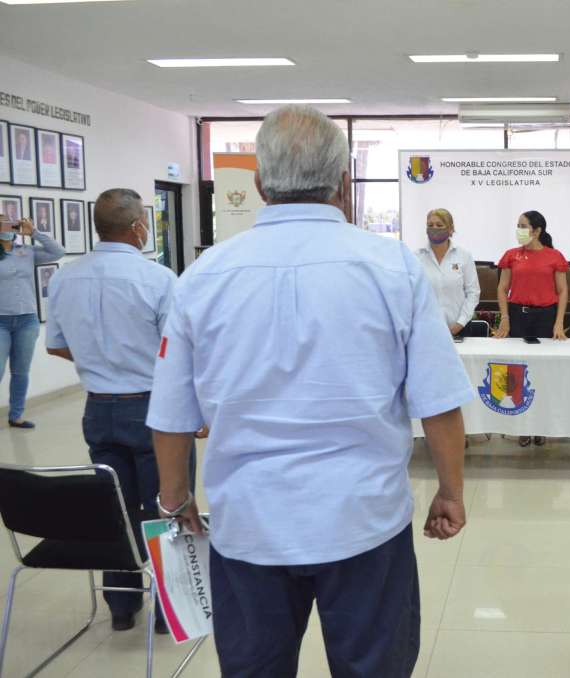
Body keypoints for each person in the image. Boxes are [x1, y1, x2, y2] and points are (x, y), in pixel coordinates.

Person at [146, 105, 473, 678]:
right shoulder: (391, 267)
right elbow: (439, 402)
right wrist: (450, 490)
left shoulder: (203, 276)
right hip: (364, 523)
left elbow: (171, 415)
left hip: (248, 527)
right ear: (344, 182)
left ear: (257, 183)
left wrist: (175, 502)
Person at [45, 188, 197, 633]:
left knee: (116, 508)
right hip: (154, 410)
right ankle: (171, 612)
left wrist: (100, 359)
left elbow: (56, 345)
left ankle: (122, 607)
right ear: (137, 228)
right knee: (168, 503)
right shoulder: (157, 279)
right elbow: (178, 351)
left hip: (98, 411)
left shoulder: (65, 278)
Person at [494, 210, 570, 447]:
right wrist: (504, 317)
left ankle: (543, 425)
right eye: (517, 225)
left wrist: (559, 322)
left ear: (537, 231)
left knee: (544, 371)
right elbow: (502, 288)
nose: (519, 229)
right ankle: (522, 426)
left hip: (545, 317)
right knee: (517, 371)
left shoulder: (554, 256)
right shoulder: (511, 255)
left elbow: (562, 291)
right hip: (518, 316)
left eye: (524, 225)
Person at [0, 214, 65, 429]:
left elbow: (58, 251)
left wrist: (34, 233)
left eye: (10, 223)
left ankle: (16, 415)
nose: (7, 227)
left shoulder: (26, 252)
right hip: (1, 321)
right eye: (2, 223)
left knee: (21, 371)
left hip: (27, 319)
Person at [415, 208, 481, 336]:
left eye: (439, 225)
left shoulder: (464, 256)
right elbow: (413, 295)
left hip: (460, 329)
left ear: (450, 229)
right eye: (430, 225)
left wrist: (460, 323)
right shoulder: (416, 257)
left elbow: (473, 293)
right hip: (426, 329)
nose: (434, 228)